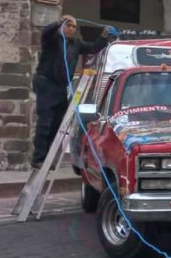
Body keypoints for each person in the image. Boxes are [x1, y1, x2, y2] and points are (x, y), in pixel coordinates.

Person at [31, 16, 116, 168]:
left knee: (56, 123)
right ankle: (39, 158)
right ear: (62, 26)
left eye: (73, 26)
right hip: (46, 83)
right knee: (45, 122)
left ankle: (48, 158)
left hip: (61, 86)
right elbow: (45, 32)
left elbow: (93, 48)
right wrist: (57, 22)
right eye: (67, 25)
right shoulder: (52, 40)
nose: (71, 29)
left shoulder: (75, 43)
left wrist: (103, 37)